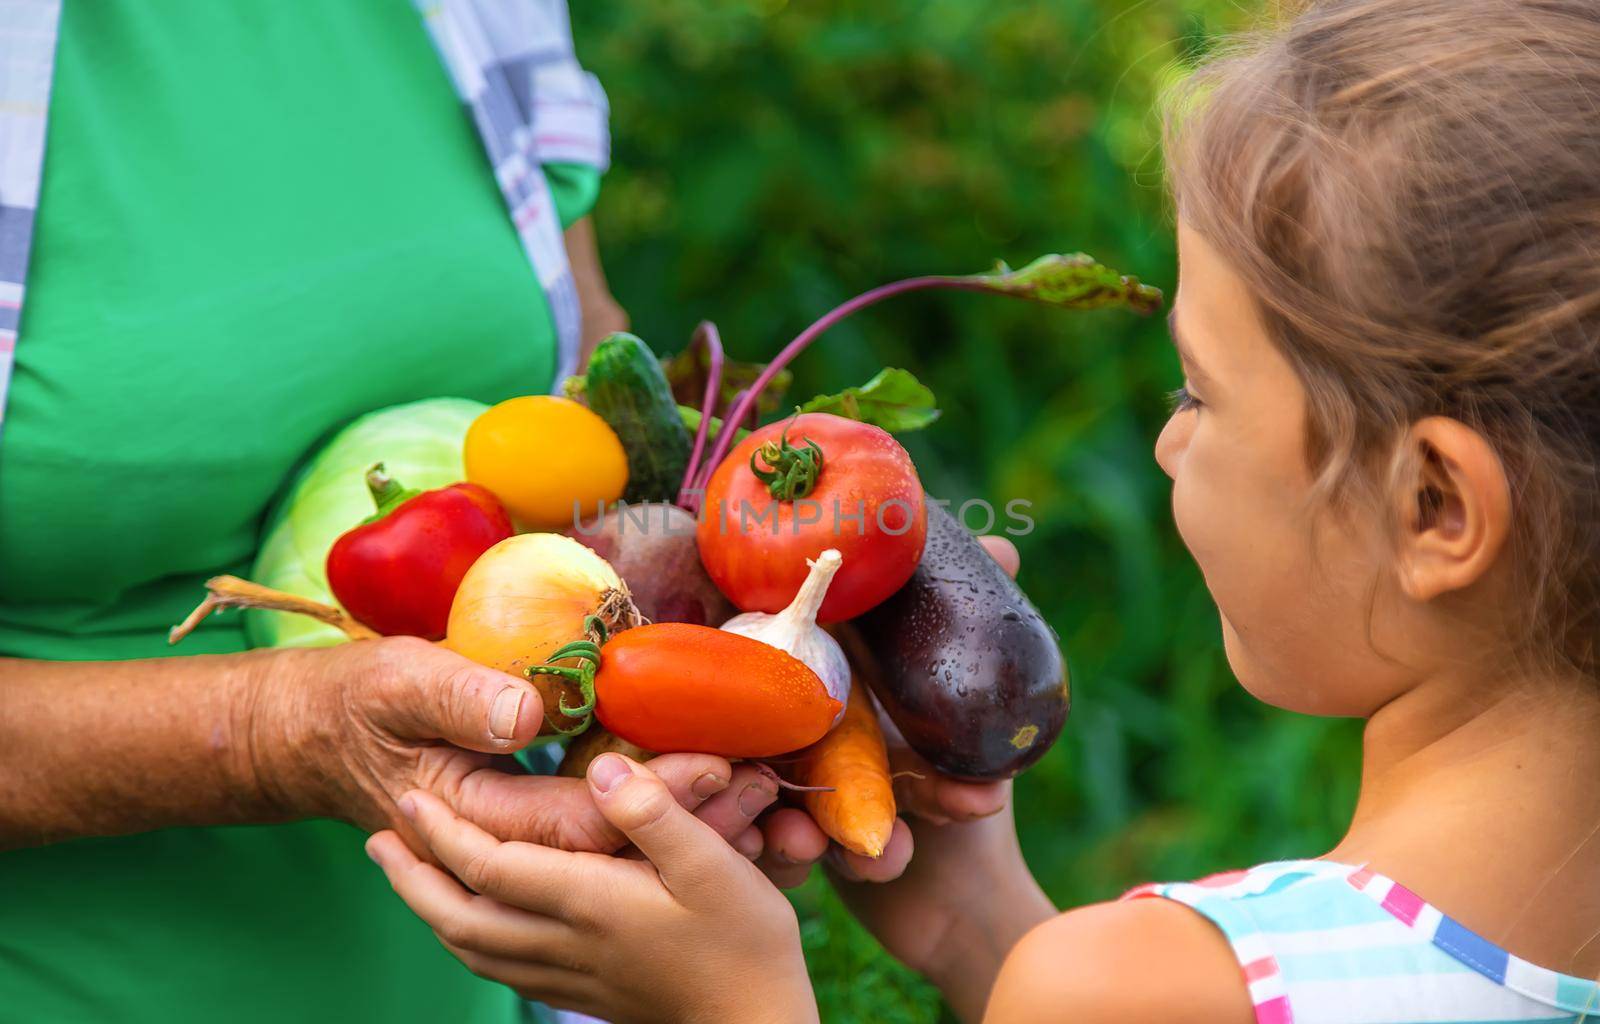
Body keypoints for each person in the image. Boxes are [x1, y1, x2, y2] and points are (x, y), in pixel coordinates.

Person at [363, 1, 1600, 1021]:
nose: (1170, 439)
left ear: (1436, 507)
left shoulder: (1154, 987)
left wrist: (731, 1004)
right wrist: (978, 928)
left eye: (1198, 390)